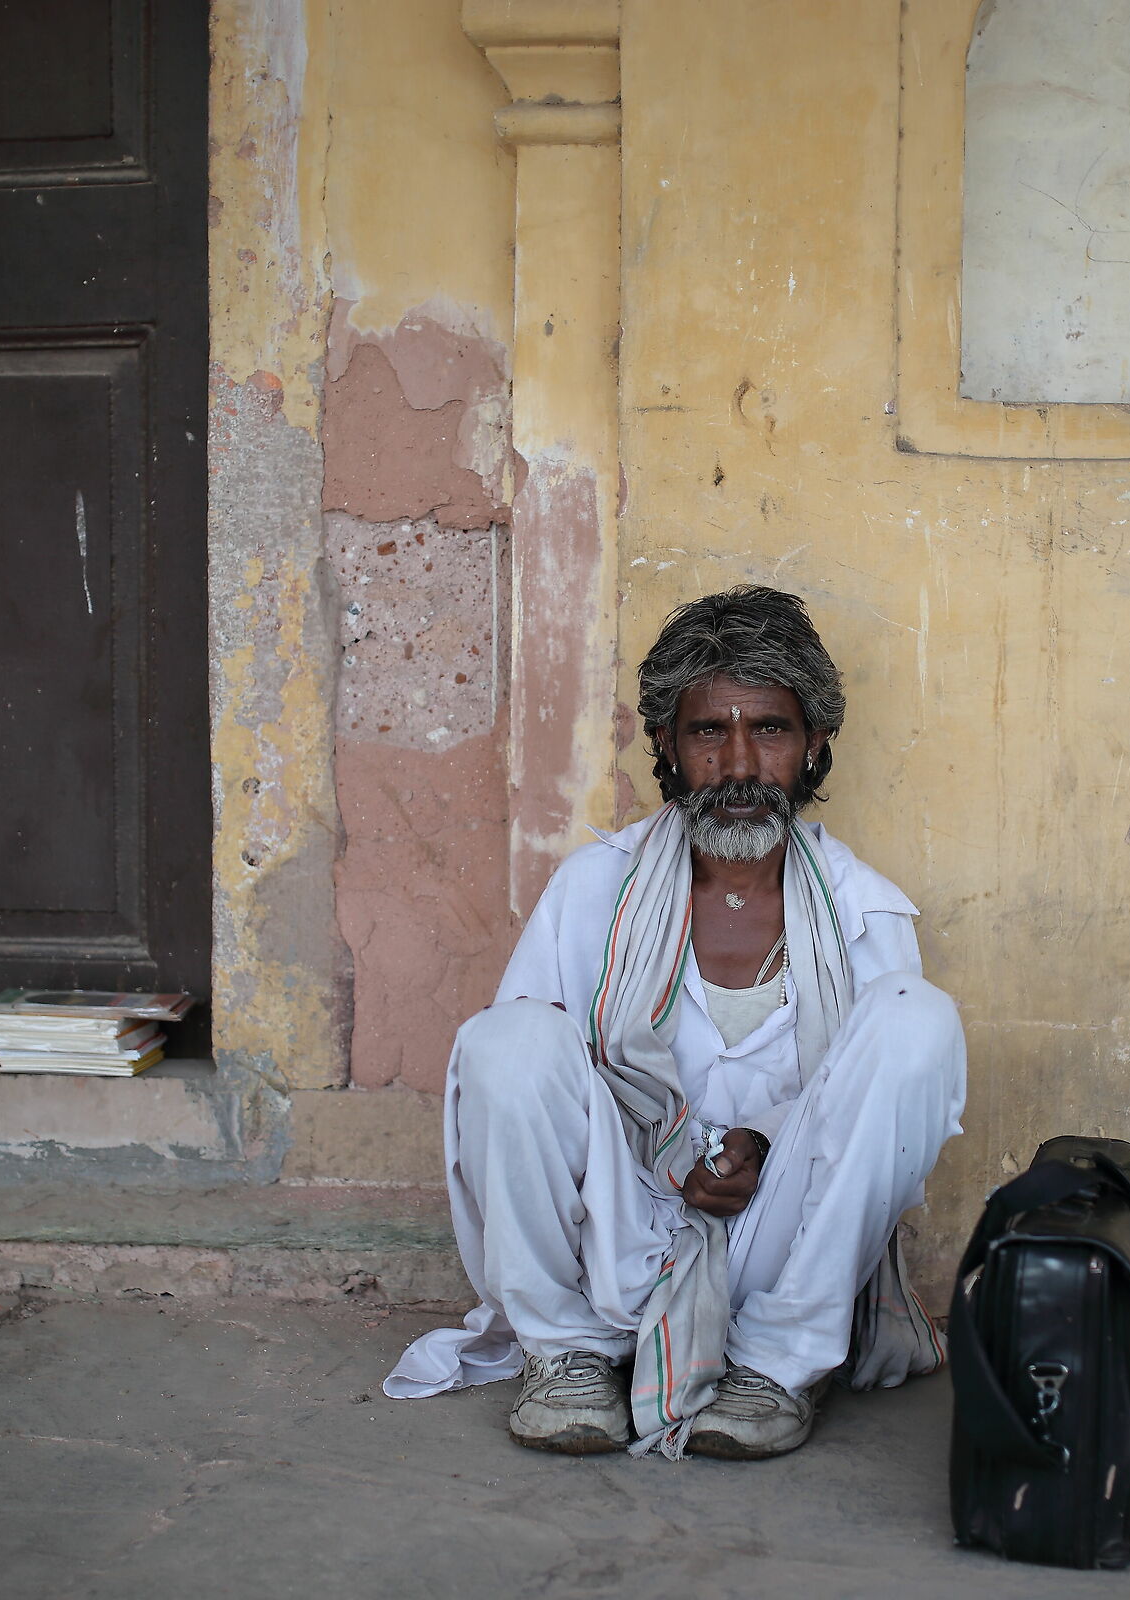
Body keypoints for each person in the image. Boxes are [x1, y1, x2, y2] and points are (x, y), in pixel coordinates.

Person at [383, 586, 968, 1459]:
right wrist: (666, 1155)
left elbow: (868, 1115)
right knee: (505, 1041)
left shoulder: (864, 912)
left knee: (918, 1021)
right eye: (708, 732)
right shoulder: (594, 890)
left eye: (769, 729)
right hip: (619, 1235)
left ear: (814, 743)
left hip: (785, 1246)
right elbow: (532, 1093)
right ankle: (569, 1353)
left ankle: (779, 1367)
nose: (739, 765)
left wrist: (764, 1142)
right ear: (665, 743)